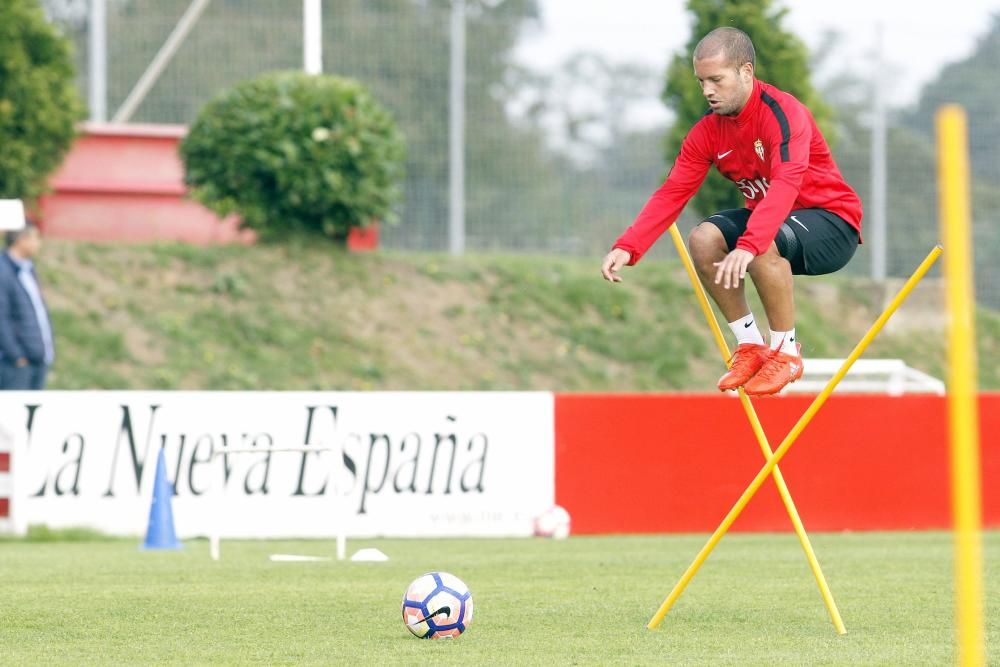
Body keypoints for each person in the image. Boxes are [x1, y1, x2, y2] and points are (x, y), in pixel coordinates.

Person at [600, 27, 862, 395]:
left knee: (760, 241)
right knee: (703, 239)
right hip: (773, 226)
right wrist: (628, 245)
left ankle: (786, 353)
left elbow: (786, 182)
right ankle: (751, 346)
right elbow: (673, 191)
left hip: (833, 225)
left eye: (716, 80)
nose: (707, 90)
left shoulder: (784, 114)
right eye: (701, 81)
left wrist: (749, 244)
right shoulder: (707, 132)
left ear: (746, 72)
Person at [0, 222, 55, 389]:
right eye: (35, 238)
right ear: (21, 240)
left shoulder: (27, 269)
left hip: (37, 358)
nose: (38, 243)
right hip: (15, 362)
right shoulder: (4, 270)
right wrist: (16, 355)